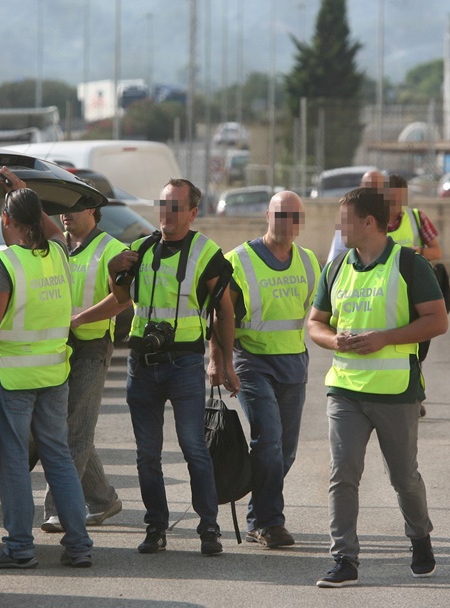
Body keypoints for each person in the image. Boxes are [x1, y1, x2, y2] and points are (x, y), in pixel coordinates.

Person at [307, 187, 449, 588]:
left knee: (403, 477)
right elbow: (315, 323)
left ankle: (420, 538)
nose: (340, 226)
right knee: (342, 473)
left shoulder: (409, 264)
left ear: (369, 222)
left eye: (346, 219)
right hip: (345, 389)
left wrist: (384, 338)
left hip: (396, 390)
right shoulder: (336, 267)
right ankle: (344, 560)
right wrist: (333, 340)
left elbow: (438, 321)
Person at [0, 167, 93, 569]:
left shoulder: (4, 263)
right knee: (59, 458)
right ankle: (79, 546)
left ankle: (19, 548)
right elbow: (49, 230)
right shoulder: (58, 253)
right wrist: (25, 192)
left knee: (14, 463)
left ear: (6, 221)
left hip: (14, 377)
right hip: (54, 373)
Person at [108, 178, 239, 556]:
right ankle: (155, 527)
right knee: (147, 454)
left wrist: (223, 360)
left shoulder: (206, 253)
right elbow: (119, 297)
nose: (167, 213)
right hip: (142, 365)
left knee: (194, 447)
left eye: (176, 207)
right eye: (163, 204)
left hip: (183, 363)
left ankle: (208, 528)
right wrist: (115, 268)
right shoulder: (140, 249)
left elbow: (223, 311)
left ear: (193, 212)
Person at [209, 191, 319, 549]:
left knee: (285, 451)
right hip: (251, 361)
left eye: (295, 217)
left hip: (293, 363)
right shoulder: (239, 261)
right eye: (281, 214)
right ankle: (270, 521)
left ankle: (258, 514)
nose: (288, 223)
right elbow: (220, 314)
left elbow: (315, 314)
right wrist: (218, 360)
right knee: (268, 442)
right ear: (267, 216)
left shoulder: (308, 261)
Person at [40, 206, 129, 534]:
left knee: (73, 429)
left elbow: (122, 301)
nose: (66, 214)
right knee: (72, 426)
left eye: (74, 207)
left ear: (93, 209)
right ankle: (104, 499)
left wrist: (78, 320)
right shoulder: (60, 246)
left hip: (92, 346)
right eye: (61, 209)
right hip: (58, 346)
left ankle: (58, 509)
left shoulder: (113, 249)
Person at [326, 172, 442, 264]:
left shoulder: (416, 217)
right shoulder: (353, 222)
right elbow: (333, 261)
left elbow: (437, 252)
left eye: (377, 188)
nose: (373, 194)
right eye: (368, 189)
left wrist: (417, 252)